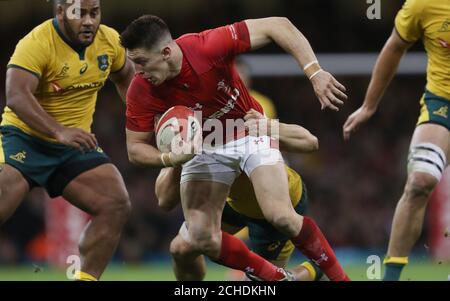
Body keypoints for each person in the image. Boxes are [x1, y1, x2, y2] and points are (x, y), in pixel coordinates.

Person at [121, 15, 349, 281]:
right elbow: (135, 149)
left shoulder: (207, 47)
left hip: (245, 129)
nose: (137, 72)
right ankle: (280, 278)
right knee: (199, 237)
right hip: (203, 145)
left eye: (141, 62)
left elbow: (278, 25)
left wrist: (315, 71)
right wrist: (173, 157)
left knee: (280, 216)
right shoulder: (141, 90)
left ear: (167, 52)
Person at [0, 0, 135, 281]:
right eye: (79, 13)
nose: (88, 21)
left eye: (94, 13)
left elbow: (127, 77)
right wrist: (59, 130)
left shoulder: (109, 41)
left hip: (72, 146)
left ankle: (85, 279)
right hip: (24, 139)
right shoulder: (36, 43)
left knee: (115, 203)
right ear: (60, 12)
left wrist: (138, 119)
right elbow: (16, 95)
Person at [342, 0, 450, 281]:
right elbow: (394, 46)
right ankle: (390, 277)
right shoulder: (424, 4)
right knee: (419, 182)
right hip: (443, 104)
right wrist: (369, 105)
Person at [157, 110, 332, 281]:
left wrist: (268, 126)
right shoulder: (189, 125)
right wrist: (179, 159)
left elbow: (310, 141)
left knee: (263, 283)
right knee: (181, 249)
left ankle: (315, 270)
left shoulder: (245, 110)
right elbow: (164, 200)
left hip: (274, 206)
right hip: (232, 202)